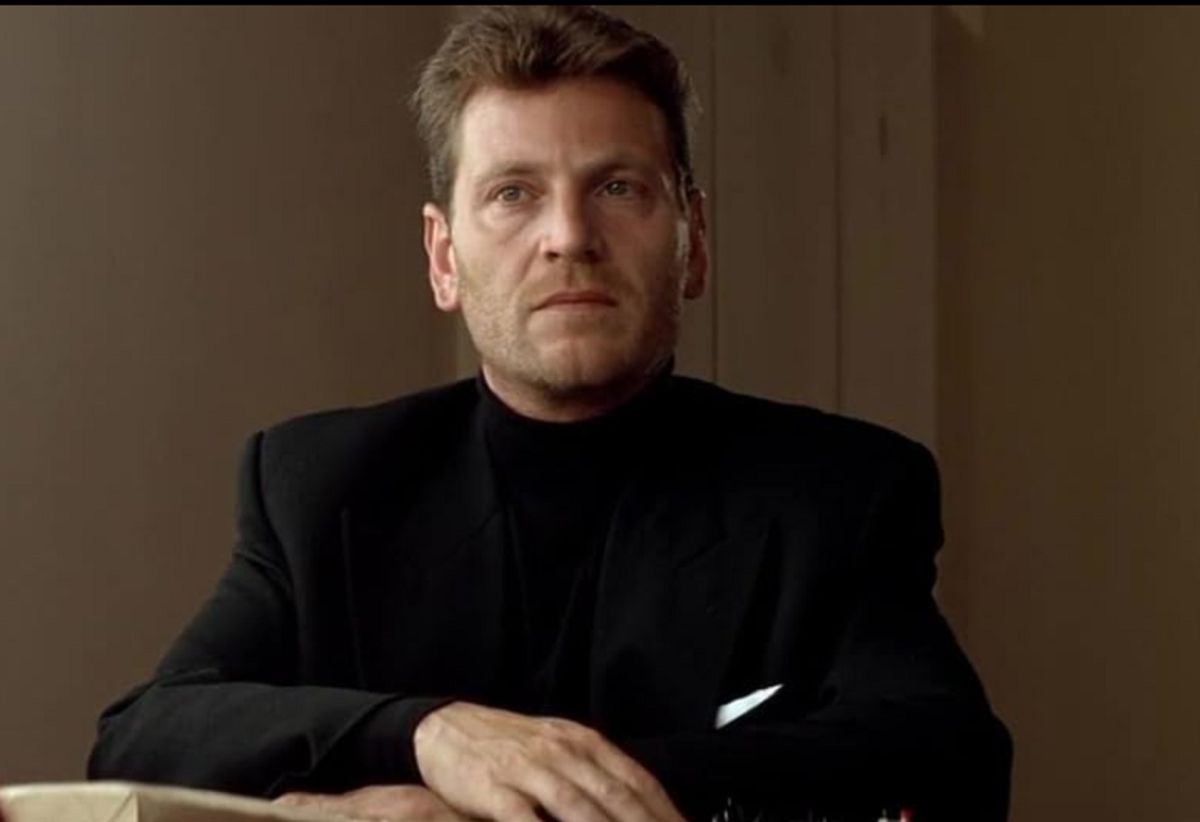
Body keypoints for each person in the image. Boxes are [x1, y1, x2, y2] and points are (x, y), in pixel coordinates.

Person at [88, 6, 1011, 821]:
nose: (569, 237)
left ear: (693, 242)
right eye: (513, 193)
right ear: (443, 259)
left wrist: (507, 800)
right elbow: (145, 737)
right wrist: (428, 736)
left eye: (617, 188)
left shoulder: (839, 492)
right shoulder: (319, 483)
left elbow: (950, 762)